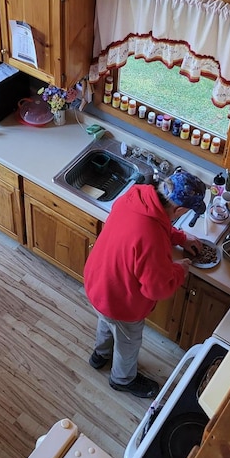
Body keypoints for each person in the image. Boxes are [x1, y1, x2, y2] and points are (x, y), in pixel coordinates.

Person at [84, 170, 206, 398]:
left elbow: (155, 222)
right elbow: (157, 287)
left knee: (107, 323)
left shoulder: (135, 197)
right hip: (122, 301)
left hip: (99, 283)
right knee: (128, 342)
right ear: (179, 210)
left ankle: (99, 356)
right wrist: (180, 269)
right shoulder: (151, 238)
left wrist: (181, 237)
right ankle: (122, 379)